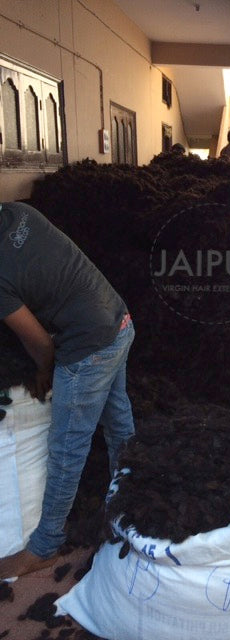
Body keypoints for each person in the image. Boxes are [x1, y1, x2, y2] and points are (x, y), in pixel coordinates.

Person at [0, 201, 135, 580]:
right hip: (119, 319)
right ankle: (131, 499)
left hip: (88, 348)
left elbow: (40, 344)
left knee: (66, 449)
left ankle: (44, 546)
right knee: (118, 419)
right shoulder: (19, 213)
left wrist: (46, 372)